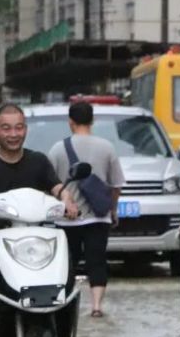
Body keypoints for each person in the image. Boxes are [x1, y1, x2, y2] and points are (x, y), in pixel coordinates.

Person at [0, 103, 79, 317]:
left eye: (19, 127)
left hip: (35, 235)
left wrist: (68, 201)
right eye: (6, 128)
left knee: (68, 254)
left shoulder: (38, 161)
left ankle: (63, 312)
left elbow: (59, 189)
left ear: (25, 130)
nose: (13, 134)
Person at [47, 101, 125, 318]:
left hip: (65, 218)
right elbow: (116, 184)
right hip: (98, 217)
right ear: (92, 120)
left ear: (70, 122)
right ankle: (97, 306)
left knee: (67, 263)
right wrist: (113, 209)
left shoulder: (57, 149)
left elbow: (50, 183)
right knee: (97, 261)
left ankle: (65, 306)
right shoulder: (107, 147)